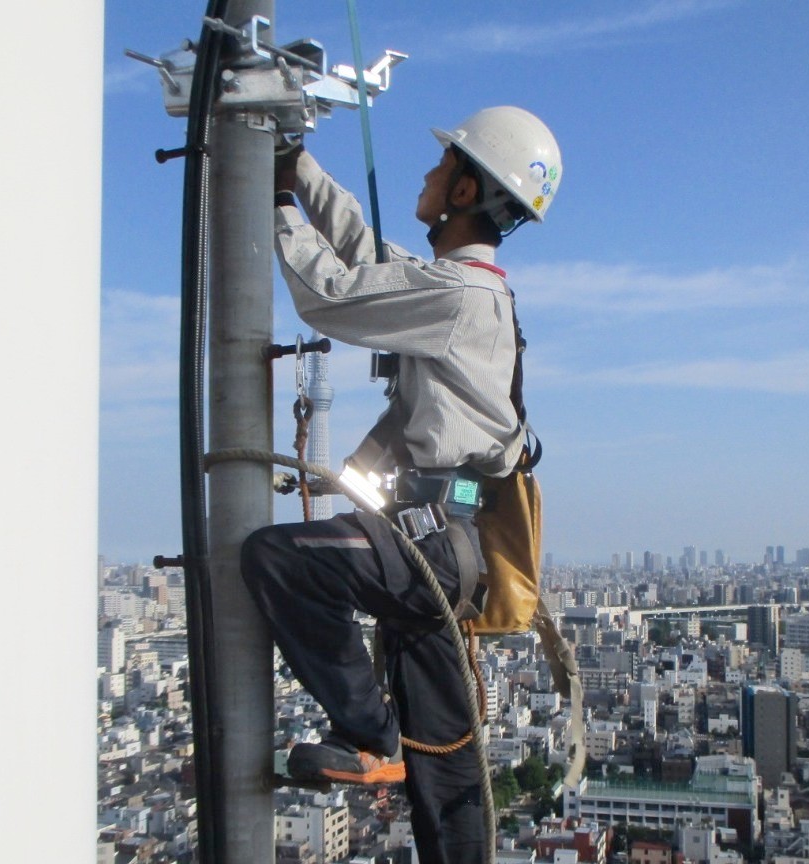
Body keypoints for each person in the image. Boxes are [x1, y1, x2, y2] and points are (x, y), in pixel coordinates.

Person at [239, 106, 562, 864]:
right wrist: (302, 172)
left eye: (443, 164)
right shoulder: (468, 291)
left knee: (278, 559)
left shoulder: (457, 299)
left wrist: (280, 203)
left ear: (464, 190)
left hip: (431, 542)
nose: (426, 173)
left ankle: (366, 733)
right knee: (446, 766)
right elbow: (361, 249)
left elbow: (335, 294)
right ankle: (403, 770)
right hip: (446, 542)